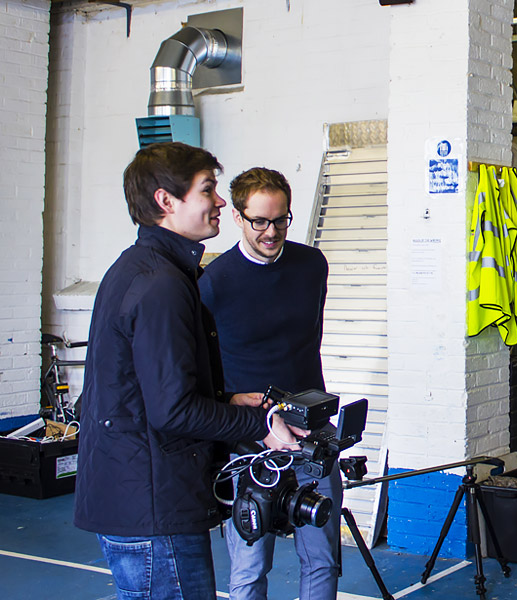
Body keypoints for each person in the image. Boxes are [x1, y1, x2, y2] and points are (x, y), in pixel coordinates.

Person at [74, 142, 303, 599]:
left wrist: (226, 402)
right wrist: (260, 423)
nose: (220, 201)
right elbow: (173, 412)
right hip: (154, 505)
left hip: (134, 494)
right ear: (166, 201)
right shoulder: (162, 285)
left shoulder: (138, 268)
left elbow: (149, 390)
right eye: (209, 190)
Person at [199, 167, 338, 600]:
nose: (271, 231)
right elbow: (202, 367)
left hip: (312, 431)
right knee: (250, 566)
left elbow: (307, 339)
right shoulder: (213, 283)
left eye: (280, 220)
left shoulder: (311, 265)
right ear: (238, 216)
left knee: (323, 560)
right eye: (260, 221)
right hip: (252, 440)